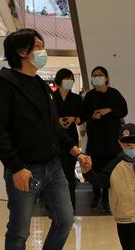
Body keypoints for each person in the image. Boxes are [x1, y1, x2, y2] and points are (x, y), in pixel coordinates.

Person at [0, 28, 86, 250]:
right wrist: (15, 167)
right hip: (25, 170)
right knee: (19, 232)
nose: (43, 51)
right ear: (22, 52)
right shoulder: (1, 84)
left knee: (65, 219)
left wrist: (76, 151)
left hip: (53, 167)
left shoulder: (42, 86)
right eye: (38, 46)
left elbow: (53, 128)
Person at [83, 66, 128, 212]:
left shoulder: (114, 94)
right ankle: (96, 195)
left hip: (111, 141)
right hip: (95, 141)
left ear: (106, 78)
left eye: (100, 75)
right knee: (95, 169)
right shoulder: (89, 96)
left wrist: (109, 110)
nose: (97, 77)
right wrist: (92, 116)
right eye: (94, 75)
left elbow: (124, 110)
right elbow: (83, 115)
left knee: (110, 171)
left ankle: (106, 199)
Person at [53, 68, 83, 214]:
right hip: (55, 139)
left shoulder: (76, 98)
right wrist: (56, 120)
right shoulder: (51, 97)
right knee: (55, 174)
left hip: (71, 138)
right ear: (59, 80)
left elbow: (81, 118)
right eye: (67, 78)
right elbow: (46, 117)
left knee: (69, 174)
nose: (69, 81)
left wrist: (73, 119)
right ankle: (55, 208)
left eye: (71, 79)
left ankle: (71, 208)